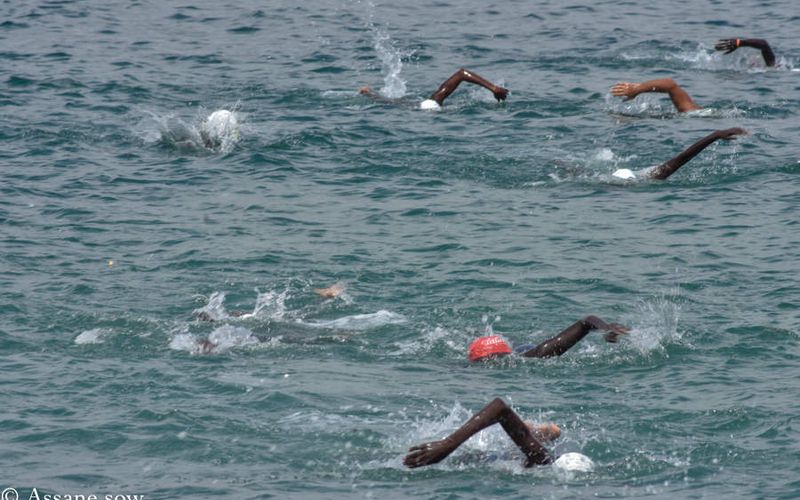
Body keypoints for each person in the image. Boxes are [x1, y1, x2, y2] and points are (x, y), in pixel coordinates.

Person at [405, 398, 570, 468]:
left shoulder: (541, 459)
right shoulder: (542, 461)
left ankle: (536, 432)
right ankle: (537, 432)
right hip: (489, 457)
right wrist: (446, 445)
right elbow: (499, 407)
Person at [467, 315, 629, 362]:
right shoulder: (511, 355)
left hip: (530, 350)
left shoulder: (537, 355)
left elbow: (586, 322)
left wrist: (606, 328)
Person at [611, 127, 747, 180]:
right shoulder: (649, 178)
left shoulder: (646, 177)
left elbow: (682, 159)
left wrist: (715, 135)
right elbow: (682, 159)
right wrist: (715, 135)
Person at [359, 68, 508, 109]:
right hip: (429, 108)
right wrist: (493, 88)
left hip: (427, 108)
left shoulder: (435, 102)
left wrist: (493, 88)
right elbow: (462, 74)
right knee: (392, 103)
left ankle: (369, 93)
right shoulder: (436, 102)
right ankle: (369, 93)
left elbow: (461, 74)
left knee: (391, 103)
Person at [610, 78, 701, 113]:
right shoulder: (696, 112)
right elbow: (670, 84)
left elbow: (670, 85)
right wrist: (637, 89)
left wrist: (638, 89)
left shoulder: (696, 113)